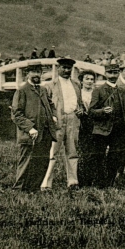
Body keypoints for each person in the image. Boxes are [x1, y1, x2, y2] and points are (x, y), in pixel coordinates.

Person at [11, 64, 57, 192]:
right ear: (27, 74)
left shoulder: (43, 90)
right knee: (26, 161)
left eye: (39, 72)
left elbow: (51, 104)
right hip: (30, 134)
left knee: (42, 161)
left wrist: (53, 115)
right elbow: (16, 115)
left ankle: (34, 188)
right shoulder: (22, 91)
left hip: (45, 132)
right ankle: (19, 189)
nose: (36, 75)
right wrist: (30, 128)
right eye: (33, 72)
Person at [87, 63, 125, 188]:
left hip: (119, 129)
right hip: (102, 129)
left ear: (118, 73)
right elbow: (91, 111)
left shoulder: (122, 90)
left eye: (115, 73)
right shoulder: (98, 90)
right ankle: (99, 182)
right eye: (110, 73)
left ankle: (109, 182)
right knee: (99, 157)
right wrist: (103, 111)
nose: (113, 75)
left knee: (115, 157)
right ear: (105, 74)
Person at [41, 57, 82, 191]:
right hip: (57, 122)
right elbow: (45, 106)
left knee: (72, 151)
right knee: (52, 152)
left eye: (69, 68)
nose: (66, 70)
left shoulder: (76, 85)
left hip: (73, 120)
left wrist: (80, 110)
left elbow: (79, 103)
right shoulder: (50, 85)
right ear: (58, 68)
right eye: (63, 67)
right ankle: (46, 183)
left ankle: (72, 181)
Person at [75, 70, 97, 187]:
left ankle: (95, 178)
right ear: (82, 80)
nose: (89, 81)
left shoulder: (97, 92)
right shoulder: (78, 93)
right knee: (84, 152)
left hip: (96, 123)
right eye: (87, 79)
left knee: (96, 151)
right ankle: (83, 180)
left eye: (92, 79)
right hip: (83, 124)